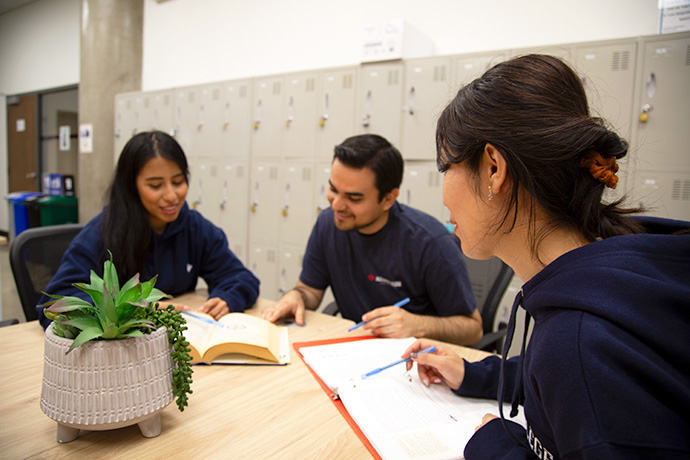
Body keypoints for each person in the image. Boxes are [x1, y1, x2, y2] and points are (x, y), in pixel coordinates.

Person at [401, 54, 690, 459]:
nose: (443, 190)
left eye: (446, 167)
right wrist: (472, 373)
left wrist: (495, 446)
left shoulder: (579, 342)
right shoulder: (606, 274)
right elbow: (561, 381)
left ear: (493, 169)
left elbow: (577, 372)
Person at [262, 134, 482, 346]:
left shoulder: (429, 242)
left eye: (353, 198)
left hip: (413, 360)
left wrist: (417, 324)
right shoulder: (328, 224)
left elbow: (472, 329)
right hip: (353, 348)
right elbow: (310, 290)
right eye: (333, 189)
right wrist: (296, 297)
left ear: (388, 199)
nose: (336, 205)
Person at [37, 130, 260, 329]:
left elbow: (239, 276)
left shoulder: (193, 227)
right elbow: (54, 304)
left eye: (178, 181)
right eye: (155, 185)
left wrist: (228, 298)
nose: (172, 196)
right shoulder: (101, 233)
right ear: (131, 187)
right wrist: (132, 310)